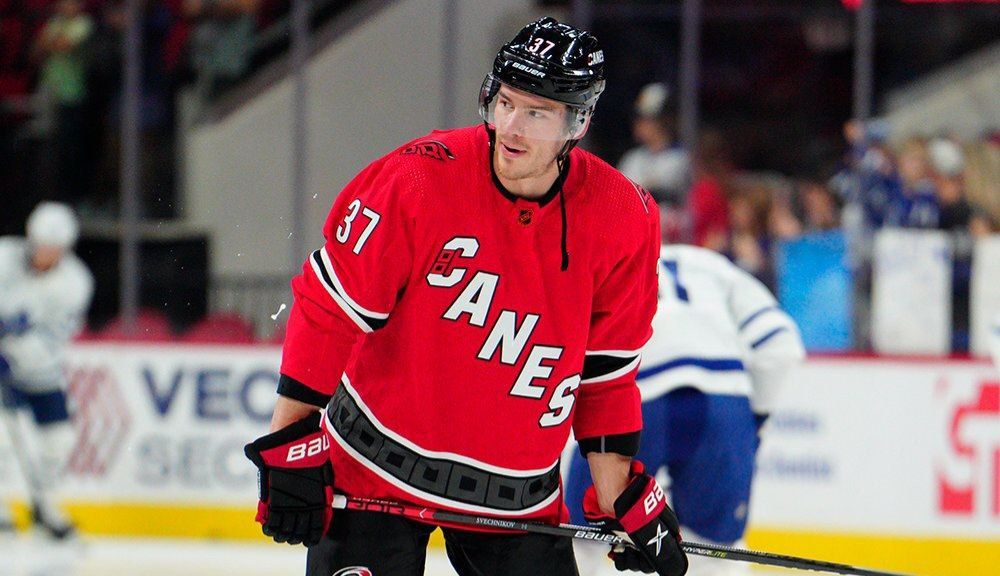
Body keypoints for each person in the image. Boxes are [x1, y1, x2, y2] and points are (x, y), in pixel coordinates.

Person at [244, 17, 687, 576]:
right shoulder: (419, 178)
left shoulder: (624, 216)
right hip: (370, 473)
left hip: (517, 499)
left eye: (537, 113)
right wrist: (291, 437)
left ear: (578, 122)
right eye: (505, 102)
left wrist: (619, 496)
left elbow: (606, 374)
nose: (511, 127)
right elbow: (328, 310)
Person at [565, 243, 805, 576]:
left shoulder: (609, 257)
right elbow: (780, 347)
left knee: (582, 540)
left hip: (631, 392)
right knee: (716, 555)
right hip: (723, 396)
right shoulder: (713, 265)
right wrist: (754, 423)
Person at [0, 202, 94, 539]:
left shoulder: (75, 282)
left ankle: (45, 505)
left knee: (59, 441)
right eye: (41, 246)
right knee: (2, 441)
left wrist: (15, 351)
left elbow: (54, 337)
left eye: (54, 249)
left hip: (40, 371)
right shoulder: (3, 257)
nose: (45, 254)